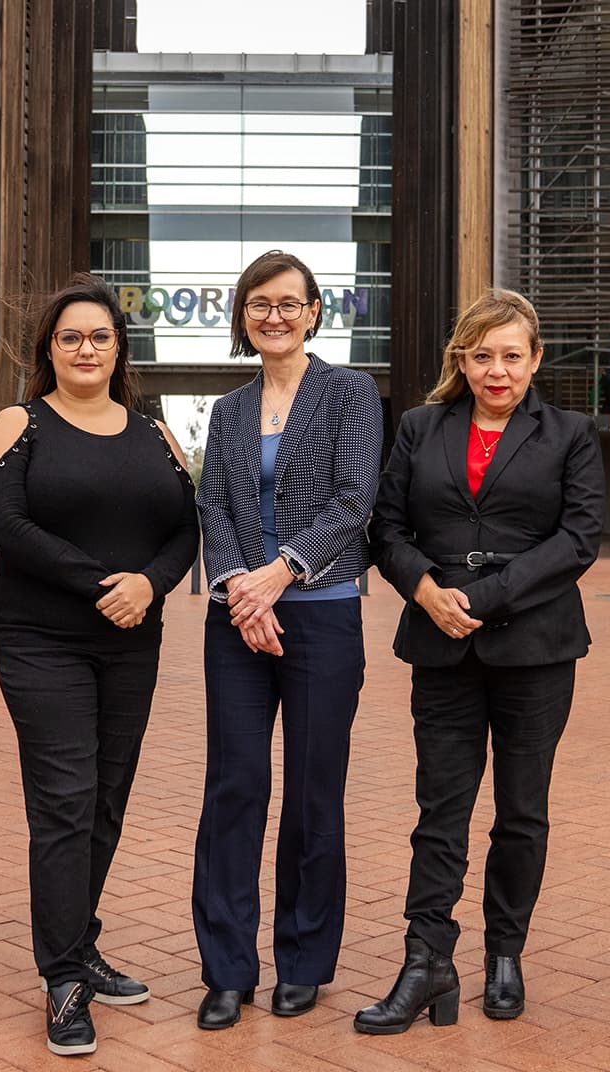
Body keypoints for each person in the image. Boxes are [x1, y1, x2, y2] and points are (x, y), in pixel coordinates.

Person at [356, 289, 604, 1034]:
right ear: (461, 358)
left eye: (512, 356)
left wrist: (487, 595)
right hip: (440, 645)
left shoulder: (569, 434)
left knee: (522, 812)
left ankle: (505, 954)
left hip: (536, 648)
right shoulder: (420, 426)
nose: (497, 370)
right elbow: (386, 526)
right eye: (483, 354)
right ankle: (426, 961)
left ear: (534, 361)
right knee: (441, 812)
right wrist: (428, 591)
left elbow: (578, 538)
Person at [0, 274, 199, 1056]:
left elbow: (186, 532)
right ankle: (63, 978)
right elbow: (7, 527)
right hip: (43, 639)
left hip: (133, 637)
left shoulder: (155, 434)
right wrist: (106, 584)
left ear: (119, 348)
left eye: (99, 336)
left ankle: (80, 940)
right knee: (66, 801)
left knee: (106, 800)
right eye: (70, 337)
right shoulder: (18, 424)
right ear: (49, 349)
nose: (85, 348)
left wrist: (150, 586)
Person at [191, 249, 382, 1030]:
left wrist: (280, 574)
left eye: (288, 303)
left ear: (313, 313)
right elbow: (212, 503)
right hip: (238, 620)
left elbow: (354, 499)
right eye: (258, 304)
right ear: (244, 316)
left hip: (323, 614)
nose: (274, 315)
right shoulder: (230, 409)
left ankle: (303, 959)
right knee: (234, 788)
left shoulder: (349, 392)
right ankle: (227, 968)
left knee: (311, 790)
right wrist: (243, 587)